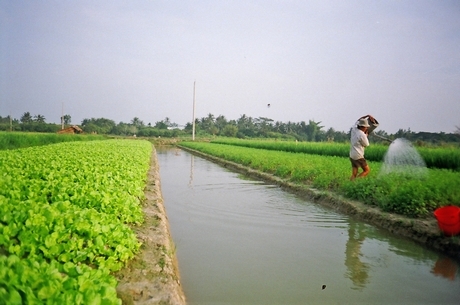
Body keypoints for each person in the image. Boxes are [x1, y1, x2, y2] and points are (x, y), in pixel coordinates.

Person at [349, 114, 376, 180]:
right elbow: (366, 145)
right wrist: (366, 136)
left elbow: (358, 120)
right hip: (358, 156)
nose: (366, 128)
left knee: (354, 173)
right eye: (366, 127)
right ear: (362, 127)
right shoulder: (362, 135)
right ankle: (356, 182)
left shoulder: (354, 129)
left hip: (352, 155)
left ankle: (351, 183)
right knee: (366, 170)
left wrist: (367, 116)